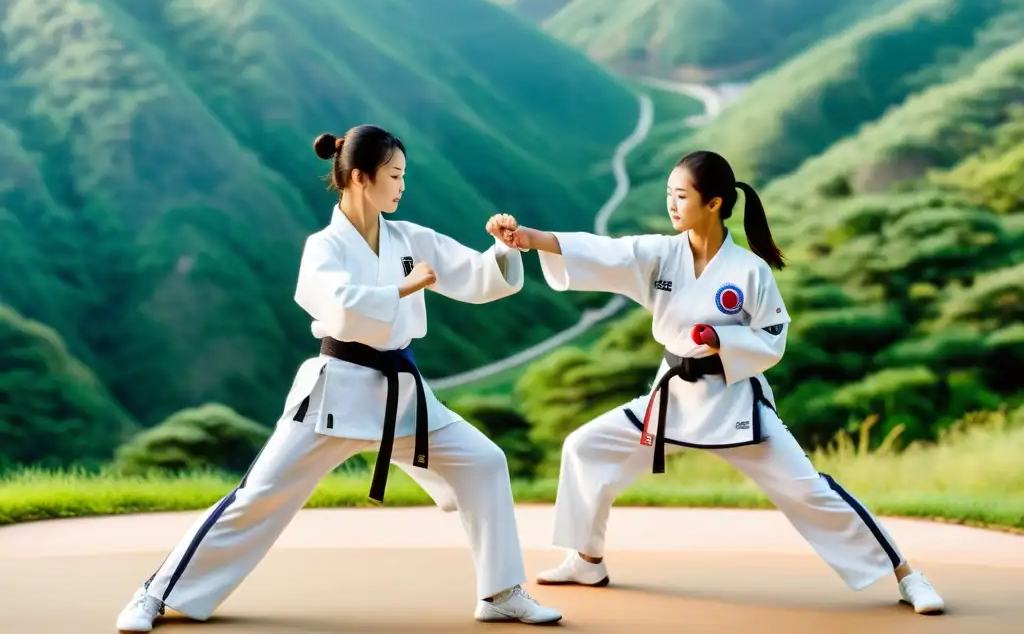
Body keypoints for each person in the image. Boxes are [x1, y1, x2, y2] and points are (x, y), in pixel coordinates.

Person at [115, 125, 562, 632]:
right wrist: (401, 289)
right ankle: (156, 593)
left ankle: (501, 592)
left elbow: (477, 278)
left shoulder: (410, 238)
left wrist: (504, 250)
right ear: (358, 177)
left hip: (401, 394)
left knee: (484, 461)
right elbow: (340, 308)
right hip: (337, 390)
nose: (402, 185)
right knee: (260, 497)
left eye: (404, 176)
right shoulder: (323, 247)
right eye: (394, 175)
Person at [490, 150, 946, 616]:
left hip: (733, 406)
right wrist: (529, 239)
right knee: (586, 446)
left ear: (714, 203)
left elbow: (773, 336)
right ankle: (587, 559)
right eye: (668, 193)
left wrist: (722, 340)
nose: (671, 203)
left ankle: (908, 575)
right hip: (670, 397)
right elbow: (606, 250)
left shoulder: (750, 271)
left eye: (681, 195)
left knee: (809, 490)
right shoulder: (661, 254)